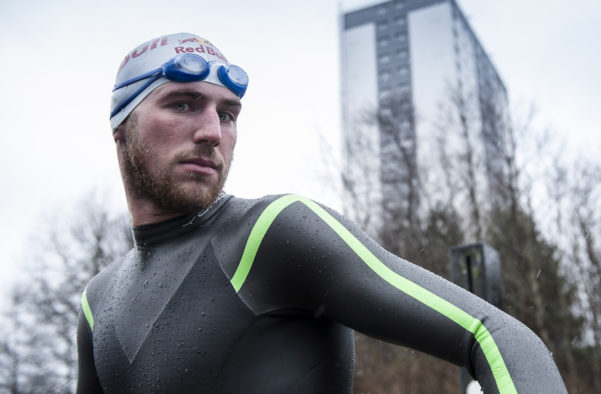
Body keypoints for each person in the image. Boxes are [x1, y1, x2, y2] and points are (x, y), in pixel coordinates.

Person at [77, 32, 567, 394]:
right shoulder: (99, 303)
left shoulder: (270, 235)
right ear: (122, 128)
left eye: (227, 114)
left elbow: (494, 333)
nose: (212, 131)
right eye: (183, 104)